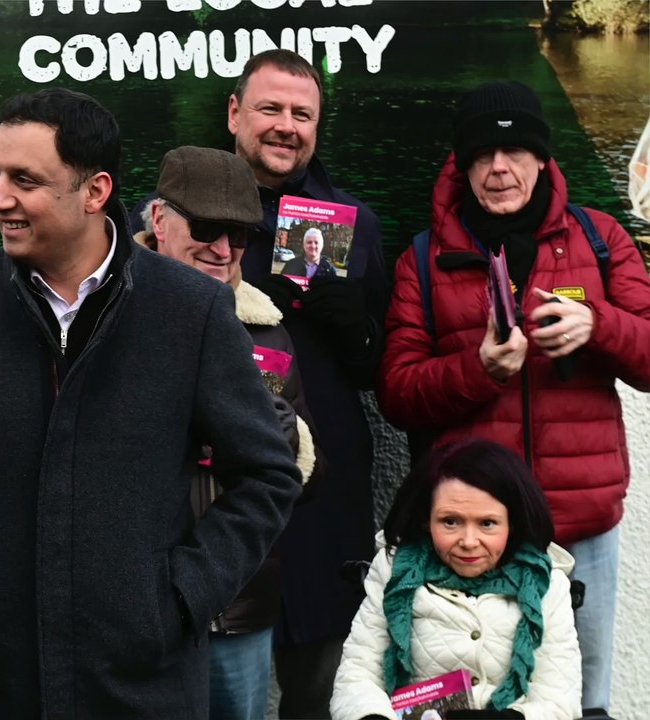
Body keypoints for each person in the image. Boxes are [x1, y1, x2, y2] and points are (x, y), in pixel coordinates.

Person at [0, 88, 302, 718]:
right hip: (4, 684)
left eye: (24, 179)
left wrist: (183, 594)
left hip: (145, 684)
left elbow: (268, 474)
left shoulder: (191, 311)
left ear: (95, 191)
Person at [377, 80, 650, 713]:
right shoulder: (424, 257)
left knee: (584, 696)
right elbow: (396, 391)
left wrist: (600, 326)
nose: (500, 169)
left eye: (516, 152)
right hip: (469, 532)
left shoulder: (601, 237)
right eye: (482, 156)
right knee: (477, 698)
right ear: (463, 165)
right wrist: (479, 371)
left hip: (582, 527)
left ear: (543, 158)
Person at [228, 48, 390, 717]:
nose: (286, 125)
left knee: (320, 681)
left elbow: (376, 369)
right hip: (212, 484)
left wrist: (352, 323)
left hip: (323, 489)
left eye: (303, 114)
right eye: (270, 108)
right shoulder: (172, 217)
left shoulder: (356, 223)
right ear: (235, 113)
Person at [139, 145, 320, 720]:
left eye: (238, 235)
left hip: (239, 607)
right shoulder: (104, 311)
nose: (222, 250)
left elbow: (303, 477)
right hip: (138, 606)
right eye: (209, 228)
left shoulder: (268, 330)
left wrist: (277, 436)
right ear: (158, 221)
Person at [331, 439, 582, 720]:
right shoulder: (394, 570)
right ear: (427, 520)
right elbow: (358, 673)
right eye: (450, 521)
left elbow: (559, 696)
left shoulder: (547, 583)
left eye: (487, 523)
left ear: (514, 523)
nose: (468, 541)